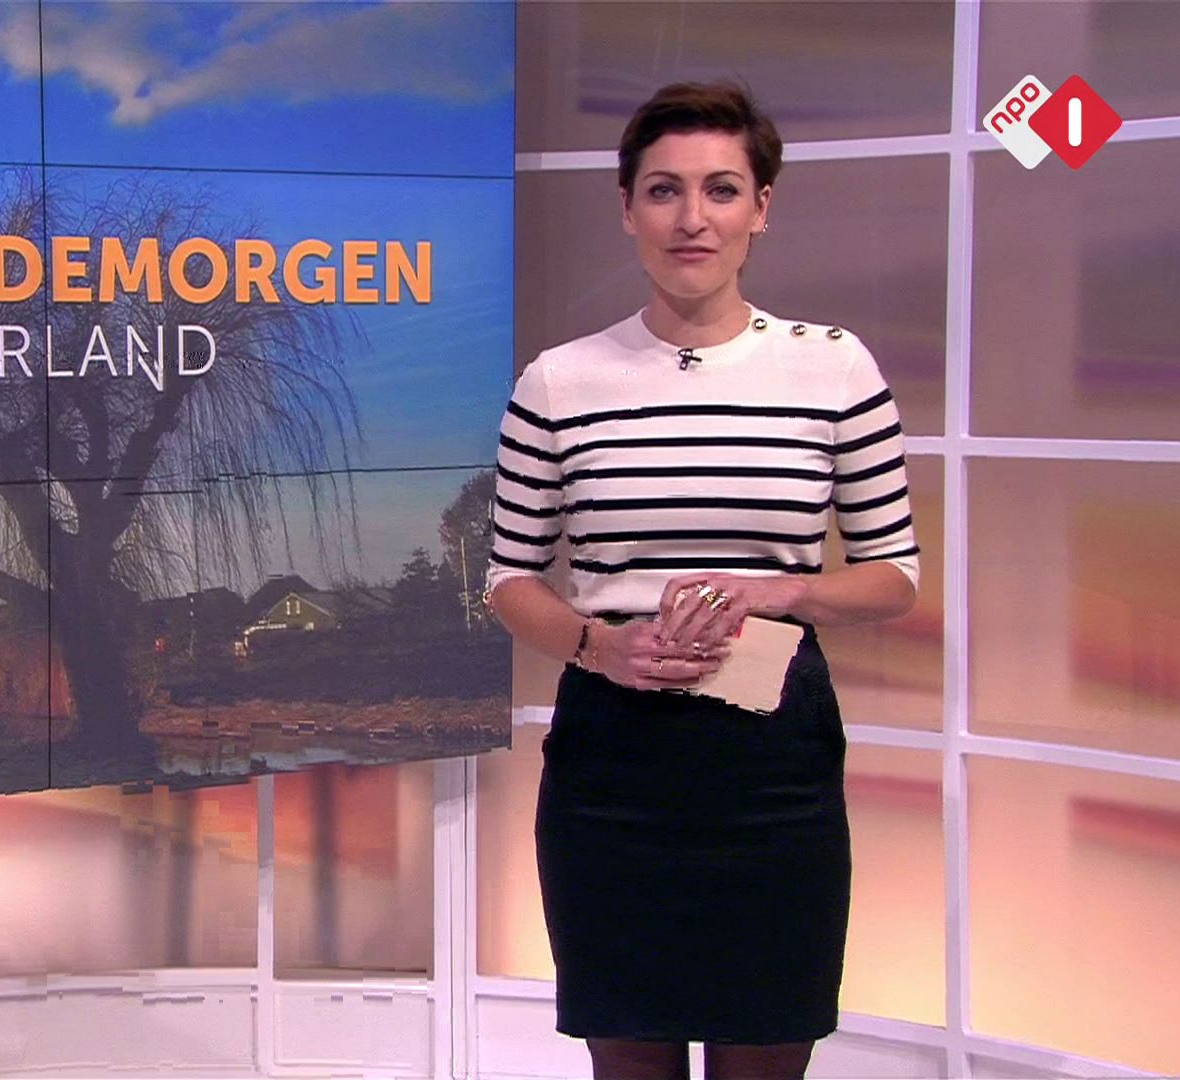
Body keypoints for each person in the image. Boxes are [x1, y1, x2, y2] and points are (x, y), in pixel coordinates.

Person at [483, 82, 921, 1080]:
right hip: (612, 763)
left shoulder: (835, 369)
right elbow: (509, 577)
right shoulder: (559, 381)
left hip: (773, 763)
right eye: (664, 190)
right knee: (629, 1061)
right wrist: (601, 646)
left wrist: (785, 593)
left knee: (764, 1052)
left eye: (721, 190)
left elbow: (894, 576)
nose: (692, 217)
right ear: (627, 208)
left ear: (761, 207)